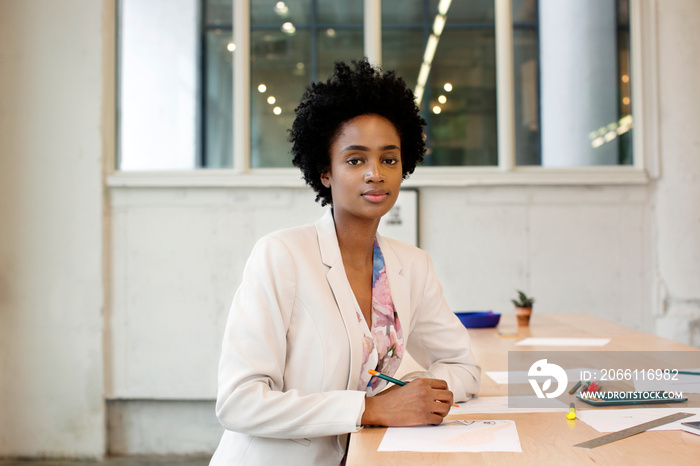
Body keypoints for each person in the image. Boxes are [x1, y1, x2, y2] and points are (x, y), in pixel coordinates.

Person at [210, 59, 480, 465]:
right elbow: (239, 402)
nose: (376, 174)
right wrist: (369, 409)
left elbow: (464, 367)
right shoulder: (281, 255)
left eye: (389, 160)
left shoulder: (412, 265)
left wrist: (412, 389)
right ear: (325, 172)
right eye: (356, 160)